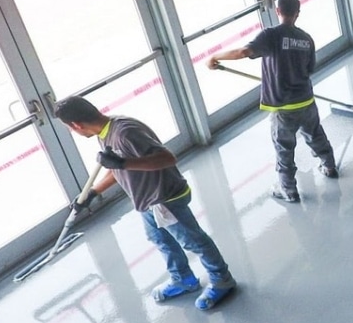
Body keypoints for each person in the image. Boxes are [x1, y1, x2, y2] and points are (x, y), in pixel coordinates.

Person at [54, 96, 236, 310]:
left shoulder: (125, 132)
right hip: (147, 201)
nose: (72, 132)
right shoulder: (105, 133)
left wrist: (123, 162)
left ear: (76, 125)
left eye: (70, 128)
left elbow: (166, 158)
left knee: (193, 241)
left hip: (165, 199)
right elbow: (118, 169)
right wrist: (93, 192)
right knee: (161, 240)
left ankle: (222, 279)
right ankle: (183, 280)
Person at [209, 0, 337, 202]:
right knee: (315, 134)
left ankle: (288, 190)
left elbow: (244, 51)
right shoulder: (306, 39)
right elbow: (309, 68)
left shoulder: (271, 35)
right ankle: (329, 166)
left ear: (277, 11)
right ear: (297, 13)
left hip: (284, 107)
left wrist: (215, 58)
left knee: (284, 148)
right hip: (306, 101)